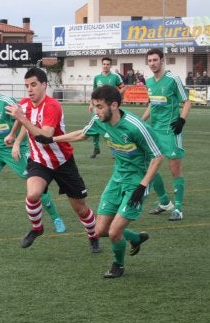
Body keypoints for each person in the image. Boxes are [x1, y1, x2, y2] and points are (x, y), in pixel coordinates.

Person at [35, 85, 164, 278]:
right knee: (100, 230)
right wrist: (51, 139)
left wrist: (142, 186)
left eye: (100, 106)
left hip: (136, 182)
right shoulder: (99, 119)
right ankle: (135, 238)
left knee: (113, 232)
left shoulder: (136, 127)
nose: (96, 111)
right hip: (117, 178)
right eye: (94, 106)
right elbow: (82, 134)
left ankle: (118, 265)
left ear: (114, 105)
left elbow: (157, 156)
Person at [5, 67, 100, 252]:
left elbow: (44, 136)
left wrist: (21, 119)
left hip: (63, 162)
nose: (30, 89)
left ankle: (93, 235)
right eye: (27, 86)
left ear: (44, 85)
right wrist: (13, 135)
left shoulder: (52, 106)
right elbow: (21, 116)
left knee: (80, 209)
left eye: (33, 85)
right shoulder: (25, 104)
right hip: (39, 161)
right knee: (32, 195)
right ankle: (37, 229)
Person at [0, 74, 66, 234]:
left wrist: (15, 142)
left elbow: (23, 120)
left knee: (35, 186)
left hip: (17, 150)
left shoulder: (6, 102)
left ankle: (56, 218)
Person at [141, 48, 191, 221]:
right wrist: (142, 121)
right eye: (150, 61)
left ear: (162, 60)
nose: (153, 63)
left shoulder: (173, 79)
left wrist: (181, 120)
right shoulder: (149, 81)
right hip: (154, 131)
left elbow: (186, 102)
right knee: (150, 167)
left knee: (175, 168)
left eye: (155, 60)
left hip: (171, 131)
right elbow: (152, 105)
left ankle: (178, 209)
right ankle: (164, 202)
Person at [88, 57, 126, 158]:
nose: (106, 66)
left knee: (112, 128)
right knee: (94, 126)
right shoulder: (97, 77)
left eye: (108, 64)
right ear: (102, 65)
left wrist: (115, 95)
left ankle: (115, 150)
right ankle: (96, 148)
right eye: (104, 64)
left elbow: (123, 88)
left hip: (109, 108)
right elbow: (94, 92)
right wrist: (91, 104)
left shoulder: (115, 77)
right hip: (98, 107)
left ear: (110, 66)